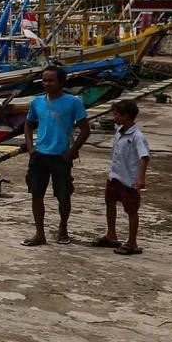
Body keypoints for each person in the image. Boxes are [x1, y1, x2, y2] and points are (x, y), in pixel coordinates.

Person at [22, 65, 91, 246]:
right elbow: (28, 124)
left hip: (61, 156)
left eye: (51, 80)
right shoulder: (37, 102)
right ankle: (39, 233)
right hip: (39, 155)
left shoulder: (73, 102)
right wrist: (31, 147)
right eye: (44, 80)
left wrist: (72, 150)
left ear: (61, 82)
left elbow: (85, 129)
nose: (47, 84)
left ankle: (63, 228)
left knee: (63, 195)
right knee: (36, 194)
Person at [91, 99, 150, 255]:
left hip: (128, 179)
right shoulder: (119, 130)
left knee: (131, 210)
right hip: (114, 175)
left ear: (127, 116)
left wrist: (141, 178)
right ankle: (111, 234)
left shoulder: (137, 136)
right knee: (110, 202)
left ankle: (132, 242)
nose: (114, 118)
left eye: (117, 115)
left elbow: (144, 156)